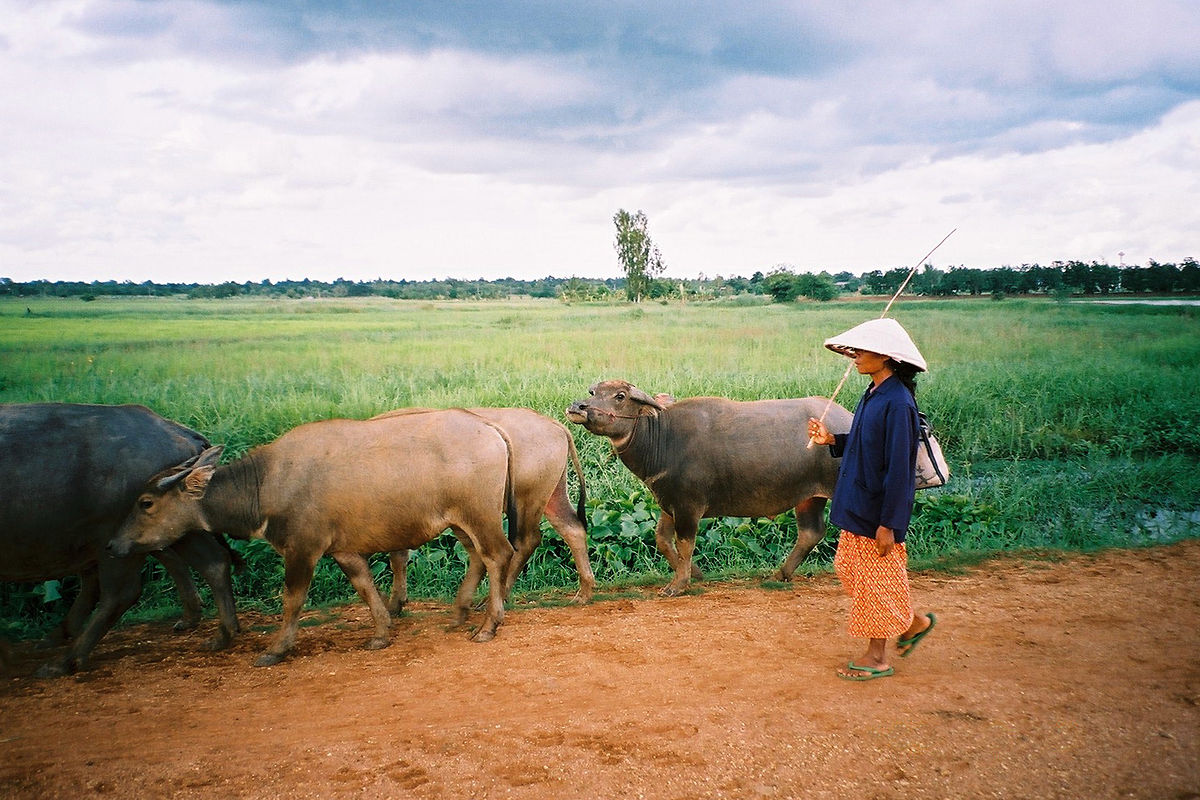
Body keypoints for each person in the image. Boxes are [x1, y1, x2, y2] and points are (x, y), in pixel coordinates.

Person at [807, 318, 936, 681]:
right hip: (858, 501)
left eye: (863, 350)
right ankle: (913, 621)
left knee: (874, 580)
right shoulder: (874, 392)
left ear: (886, 356)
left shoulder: (898, 403)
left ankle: (877, 656)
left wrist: (889, 525)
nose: (856, 357)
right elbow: (866, 443)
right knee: (851, 569)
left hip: (877, 511)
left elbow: (899, 470)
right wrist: (833, 440)